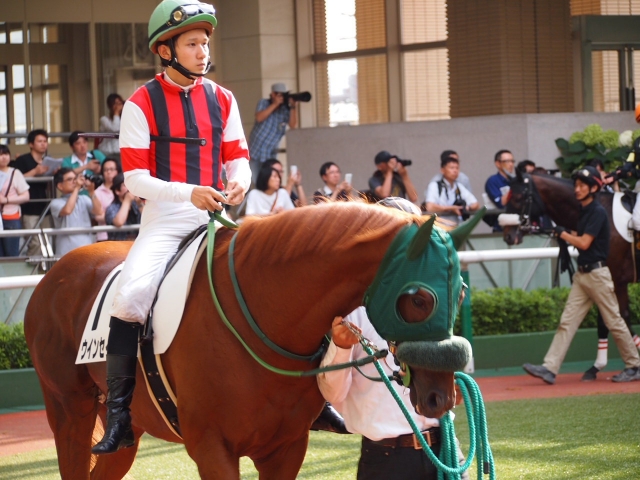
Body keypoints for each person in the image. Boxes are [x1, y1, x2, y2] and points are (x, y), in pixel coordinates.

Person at [92, 0, 251, 455]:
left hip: (217, 215)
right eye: (193, 43)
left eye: (205, 42)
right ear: (166, 50)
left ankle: (311, 399)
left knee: (274, 275)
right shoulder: (140, 103)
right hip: (165, 221)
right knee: (130, 299)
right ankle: (119, 416)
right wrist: (190, 193)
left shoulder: (223, 98)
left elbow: (237, 156)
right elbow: (136, 179)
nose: (203, 51)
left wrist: (239, 181)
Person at [523, 166, 640, 384]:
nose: (576, 189)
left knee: (614, 321)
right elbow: (581, 235)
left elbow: (585, 242)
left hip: (597, 276)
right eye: (575, 185)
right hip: (584, 276)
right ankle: (550, 368)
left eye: (581, 186)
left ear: (594, 188)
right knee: (567, 322)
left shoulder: (596, 211)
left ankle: (634, 365)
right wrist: (559, 232)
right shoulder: (586, 211)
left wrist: (564, 234)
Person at [12, 129, 57, 256]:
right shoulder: (22, 160)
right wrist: (35, 172)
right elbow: (15, 179)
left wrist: (53, 172)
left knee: (47, 240)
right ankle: (33, 272)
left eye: (45, 141)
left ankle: (45, 271)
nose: (43, 144)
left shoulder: (48, 160)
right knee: (34, 242)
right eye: (40, 141)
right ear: (31, 144)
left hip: (45, 206)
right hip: (29, 207)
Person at [248, 83, 298, 180]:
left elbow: (292, 125)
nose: (281, 98)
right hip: (255, 150)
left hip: (270, 153)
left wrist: (293, 107)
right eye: (279, 95)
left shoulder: (285, 110)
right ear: (273, 94)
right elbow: (259, 117)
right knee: (254, 180)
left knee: (268, 180)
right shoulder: (264, 103)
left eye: (283, 95)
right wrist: (275, 104)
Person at [49, 168, 103, 257]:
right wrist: (77, 188)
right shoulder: (55, 202)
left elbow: (99, 211)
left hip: (87, 248)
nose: (75, 182)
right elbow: (68, 210)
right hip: (66, 251)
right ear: (60, 186)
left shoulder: (84, 199)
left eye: (75, 179)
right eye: (70, 179)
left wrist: (91, 191)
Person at [424, 156, 479, 225]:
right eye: (452, 168)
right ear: (442, 170)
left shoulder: (459, 186)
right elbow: (430, 207)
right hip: (439, 228)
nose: (455, 171)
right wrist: (451, 208)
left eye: (457, 168)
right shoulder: (434, 186)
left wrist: (467, 207)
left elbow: (476, 204)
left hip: (456, 228)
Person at [0, 145, 30, 256]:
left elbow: (26, 196)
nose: (4, 157)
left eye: (6, 154)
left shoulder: (14, 173)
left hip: (11, 217)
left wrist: (6, 200)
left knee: (11, 254)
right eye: (1, 155)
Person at [484, 149, 515, 231]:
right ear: (498, 164)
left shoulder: (515, 180)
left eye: (512, 161)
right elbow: (501, 203)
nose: (511, 164)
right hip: (501, 228)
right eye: (507, 161)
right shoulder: (493, 181)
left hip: (517, 226)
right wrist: (515, 187)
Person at [105, 173, 143, 241]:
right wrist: (127, 200)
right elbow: (119, 222)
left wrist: (140, 204)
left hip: (137, 246)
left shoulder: (136, 205)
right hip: (118, 248)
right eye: (125, 185)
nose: (129, 188)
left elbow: (148, 219)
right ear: (117, 191)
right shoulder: (111, 208)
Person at [93, 159, 123, 241]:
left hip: (124, 235)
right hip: (104, 236)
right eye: (106, 170)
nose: (108, 172)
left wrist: (107, 216)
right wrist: (119, 218)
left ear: (118, 171)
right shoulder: (97, 192)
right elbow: (98, 217)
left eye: (112, 169)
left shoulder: (125, 189)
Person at [98, 93, 125, 162]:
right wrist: (116, 113)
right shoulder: (104, 119)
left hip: (120, 152)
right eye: (115, 104)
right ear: (110, 106)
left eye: (120, 103)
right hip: (106, 152)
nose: (118, 106)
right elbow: (115, 129)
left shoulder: (125, 119)